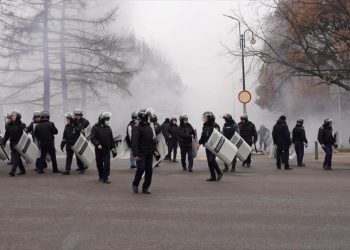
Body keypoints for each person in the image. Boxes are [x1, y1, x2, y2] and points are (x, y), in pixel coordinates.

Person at [131, 109, 157, 194]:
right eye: (148, 116)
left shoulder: (148, 126)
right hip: (141, 153)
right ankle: (135, 184)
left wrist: (154, 150)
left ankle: (146, 187)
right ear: (144, 116)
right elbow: (134, 141)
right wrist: (136, 154)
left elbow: (151, 140)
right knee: (141, 168)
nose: (149, 117)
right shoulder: (137, 126)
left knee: (149, 170)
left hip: (149, 152)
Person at [90, 112, 117, 183]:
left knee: (107, 163)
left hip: (107, 148)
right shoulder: (95, 127)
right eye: (106, 119)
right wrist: (97, 144)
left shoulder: (108, 128)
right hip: (99, 148)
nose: (107, 121)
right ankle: (101, 175)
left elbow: (111, 139)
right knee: (99, 163)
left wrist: (113, 147)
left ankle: (106, 177)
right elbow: (92, 138)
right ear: (101, 119)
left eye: (108, 119)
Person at [197, 111, 223, 181]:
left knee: (212, 160)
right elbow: (203, 136)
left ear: (209, 117)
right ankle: (213, 176)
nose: (204, 119)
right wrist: (199, 143)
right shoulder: (205, 126)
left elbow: (217, 136)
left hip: (213, 146)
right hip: (207, 146)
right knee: (209, 161)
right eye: (204, 117)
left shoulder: (215, 126)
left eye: (205, 117)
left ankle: (219, 172)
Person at [0, 111, 26, 177]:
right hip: (12, 144)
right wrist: (3, 143)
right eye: (12, 115)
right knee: (18, 159)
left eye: (14, 115)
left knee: (16, 158)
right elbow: (6, 135)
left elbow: (26, 134)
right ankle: (23, 170)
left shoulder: (21, 125)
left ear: (18, 116)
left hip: (19, 144)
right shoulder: (9, 125)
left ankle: (12, 171)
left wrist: (24, 128)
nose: (13, 117)